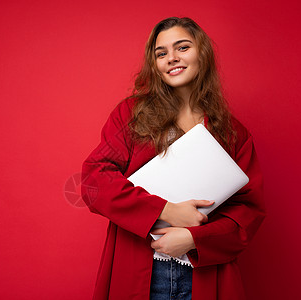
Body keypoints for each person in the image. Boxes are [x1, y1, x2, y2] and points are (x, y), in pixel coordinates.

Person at [81, 17, 266, 300]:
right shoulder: (131, 115)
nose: (172, 58)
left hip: (204, 273)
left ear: (202, 53)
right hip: (139, 268)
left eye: (182, 47)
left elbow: (248, 211)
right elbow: (95, 180)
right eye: (161, 53)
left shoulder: (232, 132)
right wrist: (164, 209)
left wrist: (194, 238)